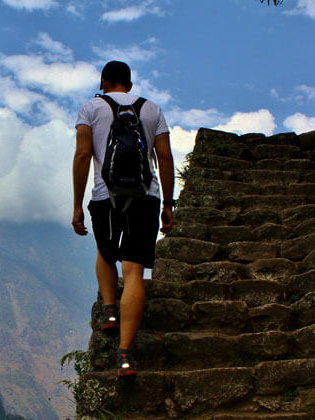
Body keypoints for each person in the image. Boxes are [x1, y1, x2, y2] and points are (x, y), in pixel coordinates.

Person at [72, 60, 175, 376]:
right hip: (146, 196)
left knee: (105, 253)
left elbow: (83, 155)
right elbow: (166, 157)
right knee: (133, 271)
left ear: (104, 82)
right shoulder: (152, 109)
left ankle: (110, 310)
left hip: (106, 196)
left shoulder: (91, 108)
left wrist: (77, 205)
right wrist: (168, 204)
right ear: (129, 85)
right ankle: (125, 355)